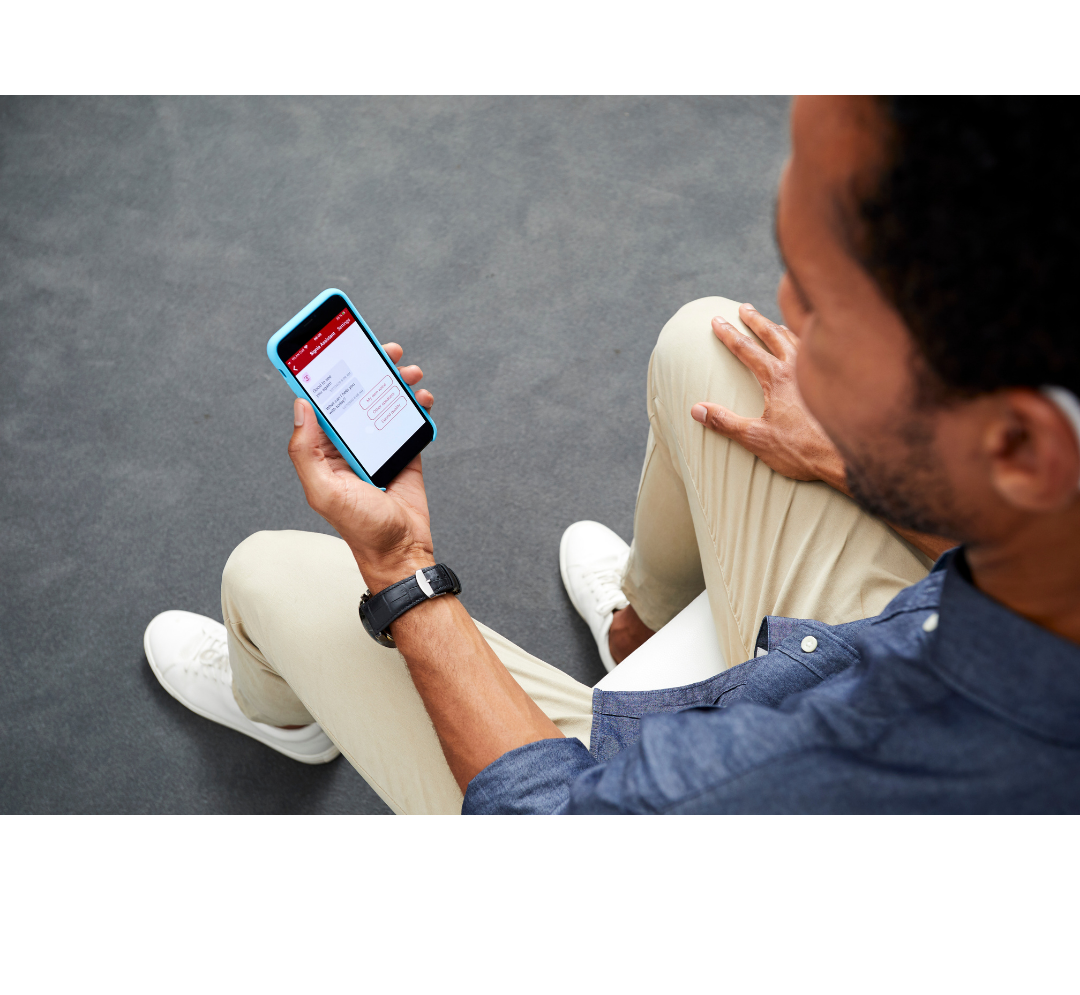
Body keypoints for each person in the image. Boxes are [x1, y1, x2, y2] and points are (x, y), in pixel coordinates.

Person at [144, 96, 1080, 813]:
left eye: (829, 313)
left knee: (270, 572)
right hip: (885, 634)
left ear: (1019, 444)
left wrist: (400, 566)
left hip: (671, 785)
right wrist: (853, 456)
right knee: (712, 345)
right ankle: (643, 629)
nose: (791, 311)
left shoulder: (855, 778)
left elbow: (551, 835)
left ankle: (283, 716)